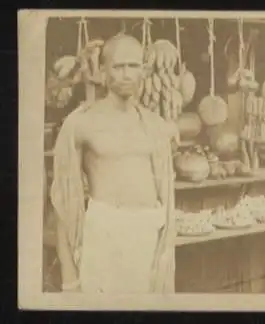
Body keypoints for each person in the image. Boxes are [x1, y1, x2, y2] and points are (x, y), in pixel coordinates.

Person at [50, 33, 179, 294]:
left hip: (147, 234)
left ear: (143, 69)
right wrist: (69, 274)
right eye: (118, 66)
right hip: (104, 233)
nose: (126, 74)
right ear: (104, 70)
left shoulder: (155, 126)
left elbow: (165, 192)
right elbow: (63, 200)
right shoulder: (81, 123)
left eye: (133, 66)